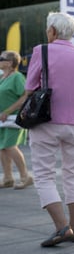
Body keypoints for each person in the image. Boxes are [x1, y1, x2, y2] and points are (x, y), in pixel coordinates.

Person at [1, 13, 74, 246]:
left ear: (52, 30)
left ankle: (62, 227)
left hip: (47, 120)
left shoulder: (43, 50)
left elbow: (30, 87)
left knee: (44, 175)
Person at [0, 51, 33, 189]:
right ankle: (8, 177)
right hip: (2, 118)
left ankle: (25, 176)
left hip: (13, 117)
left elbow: (25, 96)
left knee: (10, 146)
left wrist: (8, 111)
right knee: (2, 148)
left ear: (10, 62)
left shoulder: (17, 77)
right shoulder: (2, 77)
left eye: (1, 58)